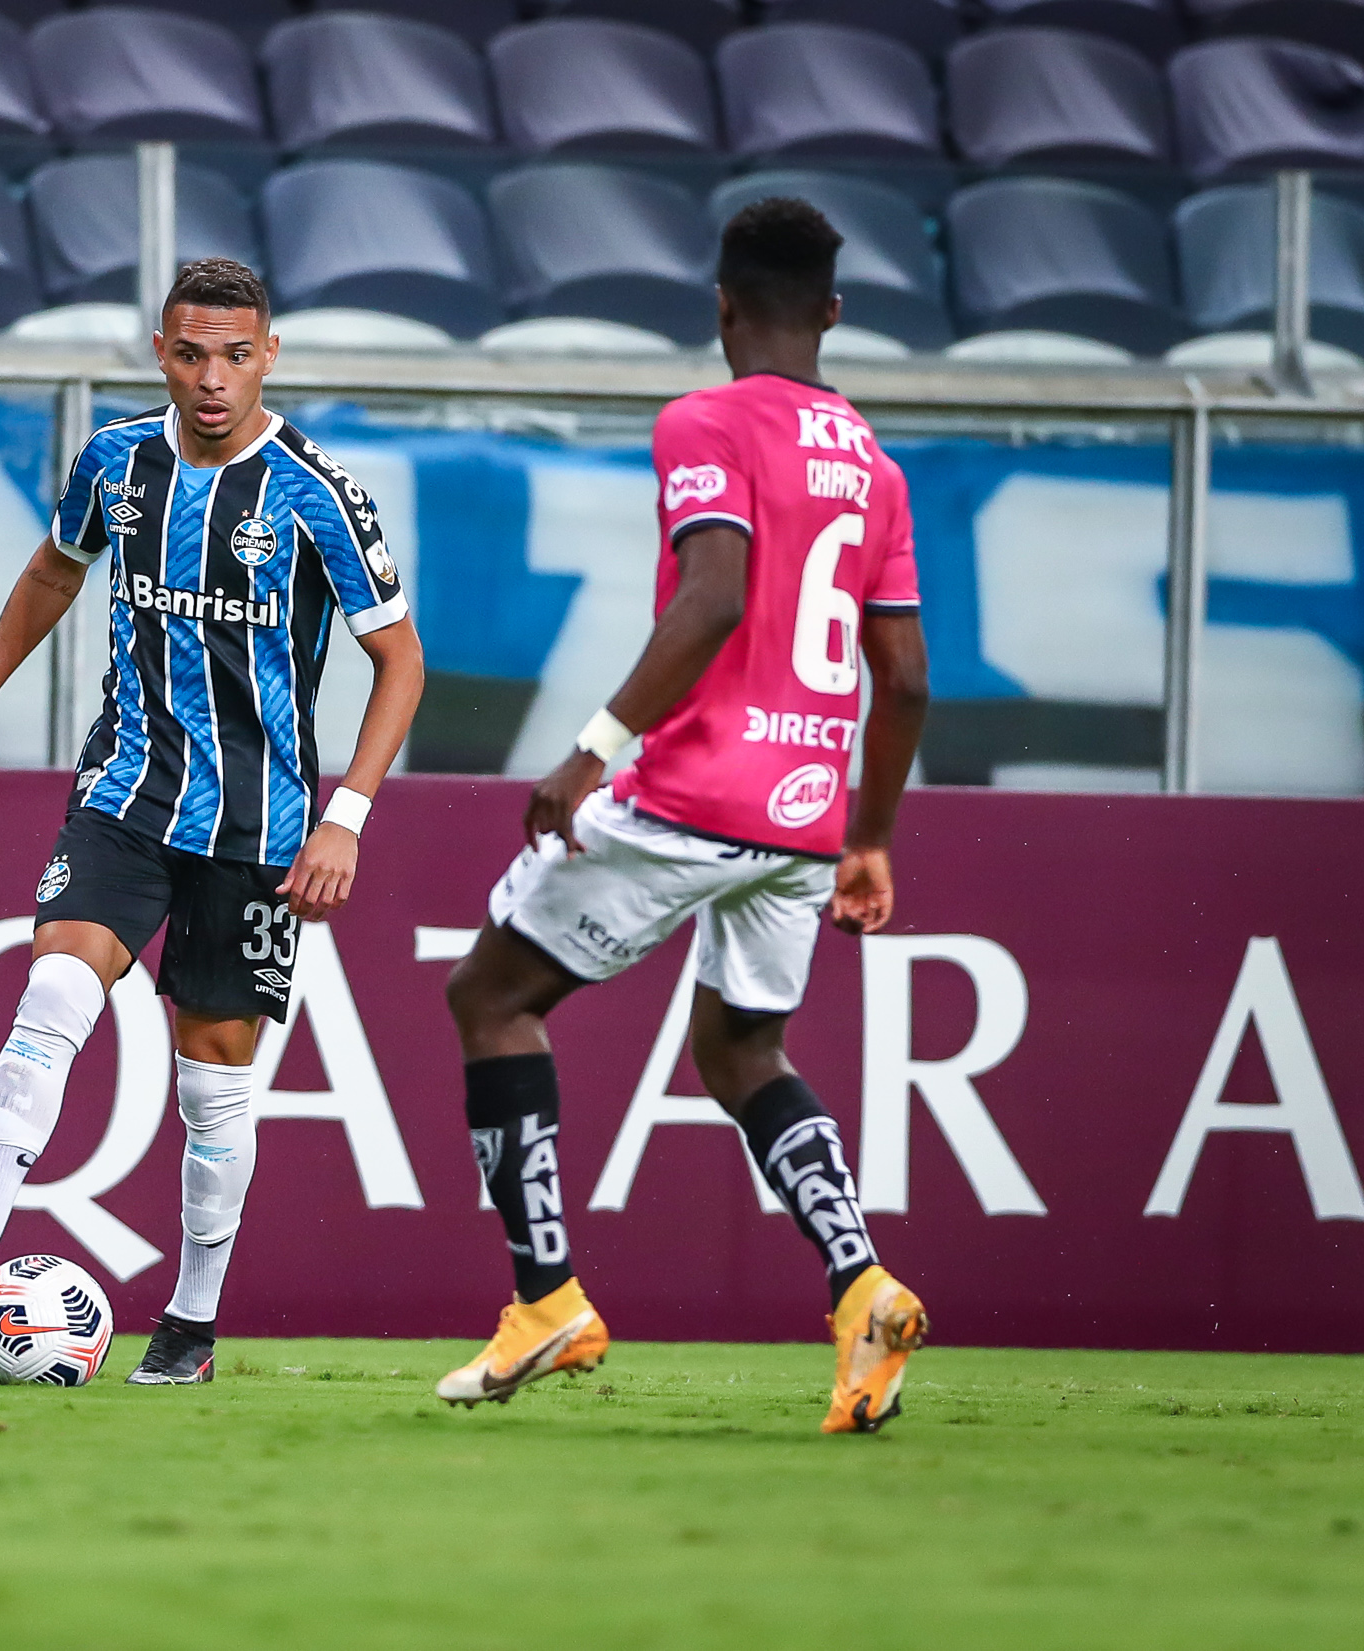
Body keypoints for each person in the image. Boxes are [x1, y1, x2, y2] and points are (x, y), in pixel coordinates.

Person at [0, 257, 426, 1385]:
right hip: (125, 793)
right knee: (51, 989)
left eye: (234, 354)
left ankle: (189, 1321)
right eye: (189, 353)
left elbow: (399, 661)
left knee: (210, 1087)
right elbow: (52, 570)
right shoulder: (115, 463)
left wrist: (348, 819)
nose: (211, 378)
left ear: (268, 353)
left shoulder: (316, 493)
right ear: (160, 353)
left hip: (261, 830)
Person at [434, 199, 933, 1433]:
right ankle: (859, 1284)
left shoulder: (701, 421)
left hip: (694, 790)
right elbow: (907, 677)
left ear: (718, 306)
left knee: (490, 999)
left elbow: (712, 596)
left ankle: (544, 1295)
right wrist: (866, 836)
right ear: (830, 311)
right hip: (805, 817)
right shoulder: (872, 462)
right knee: (740, 1050)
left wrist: (590, 749)